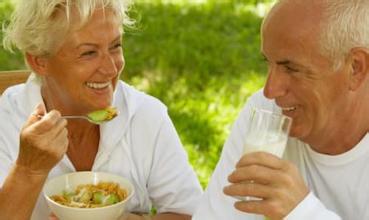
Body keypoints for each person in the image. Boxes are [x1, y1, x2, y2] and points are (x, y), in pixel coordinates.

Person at [0, 0, 202, 219]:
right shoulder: (6, 121)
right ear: (39, 61)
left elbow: (191, 213)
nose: (111, 68)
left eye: (115, 46)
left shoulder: (145, 115)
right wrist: (28, 170)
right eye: (88, 53)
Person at [193, 0, 369, 219]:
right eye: (268, 63)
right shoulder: (266, 112)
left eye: (291, 68)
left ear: (355, 68)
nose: (270, 90)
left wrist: (302, 212)